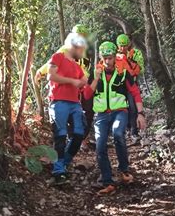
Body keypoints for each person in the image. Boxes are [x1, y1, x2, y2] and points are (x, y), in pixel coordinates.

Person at [83, 41, 146, 195]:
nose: (107, 61)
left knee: (118, 134)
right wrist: (96, 79)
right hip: (102, 115)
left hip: (120, 111)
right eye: (104, 58)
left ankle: (124, 170)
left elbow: (135, 92)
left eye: (110, 58)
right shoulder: (96, 72)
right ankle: (107, 181)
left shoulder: (123, 71)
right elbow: (86, 95)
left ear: (114, 57)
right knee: (100, 145)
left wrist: (140, 113)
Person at [35, 23, 94, 145]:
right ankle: (72, 139)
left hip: (82, 84)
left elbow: (86, 68)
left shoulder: (87, 51)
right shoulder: (66, 49)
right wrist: (41, 71)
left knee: (88, 111)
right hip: (71, 85)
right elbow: (52, 61)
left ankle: (81, 138)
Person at [48, 32, 88, 185]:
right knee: (60, 135)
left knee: (79, 133)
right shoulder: (57, 57)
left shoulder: (77, 66)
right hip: (59, 102)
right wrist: (72, 81)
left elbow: (83, 79)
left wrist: (83, 80)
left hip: (74, 103)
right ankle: (58, 171)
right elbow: (51, 76)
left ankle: (64, 162)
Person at [116, 34, 145, 142]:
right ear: (117, 45)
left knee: (133, 107)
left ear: (129, 44)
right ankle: (124, 129)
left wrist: (130, 62)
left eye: (125, 45)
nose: (123, 48)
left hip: (132, 82)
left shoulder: (136, 53)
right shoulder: (115, 56)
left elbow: (141, 69)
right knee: (121, 108)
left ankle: (134, 131)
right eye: (120, 46)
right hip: (119, 84)